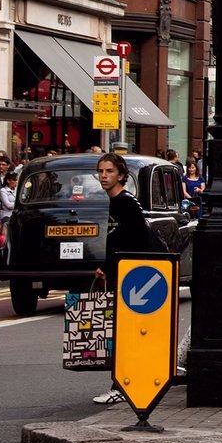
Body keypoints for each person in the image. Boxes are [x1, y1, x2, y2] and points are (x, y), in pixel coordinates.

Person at [91, 151, 157, 405]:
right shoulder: (117, 201)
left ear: (121, 175)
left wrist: (108, 266)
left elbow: (135, 239)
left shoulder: (125, 202)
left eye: (109, 171)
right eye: (100, 171)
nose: (103, 176)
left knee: (125, 333)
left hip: (132, 277)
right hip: (127, 275)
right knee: (126, 332)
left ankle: (121, 386)